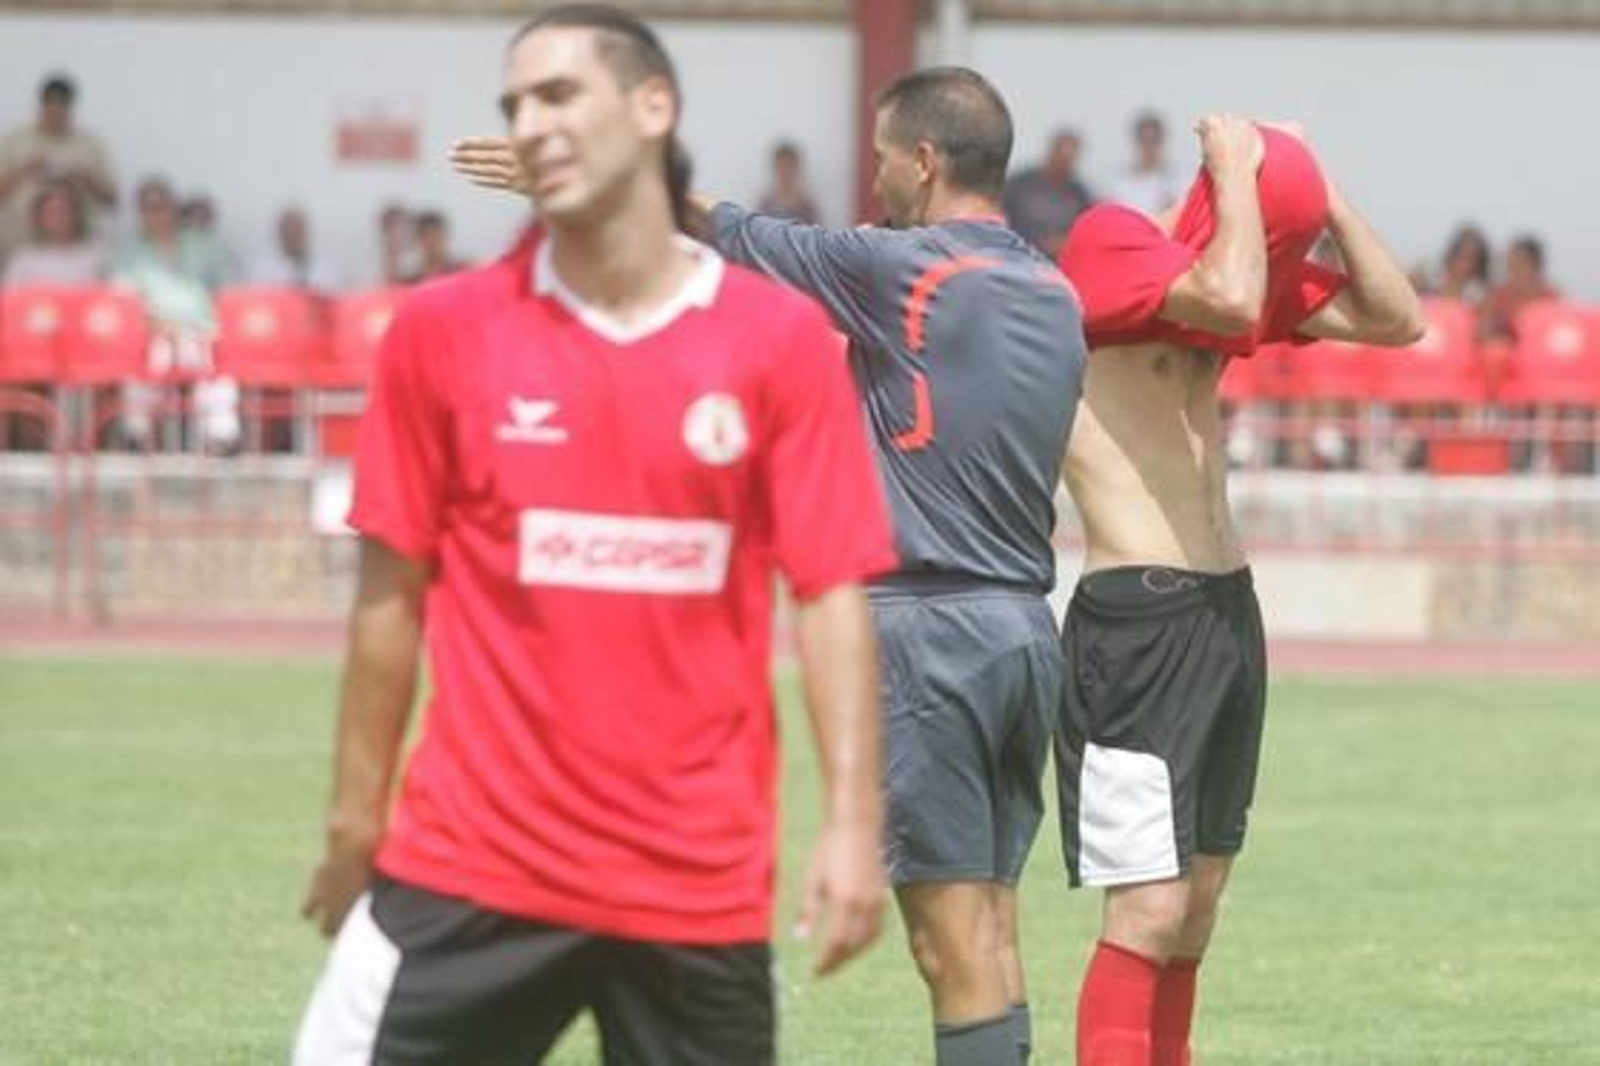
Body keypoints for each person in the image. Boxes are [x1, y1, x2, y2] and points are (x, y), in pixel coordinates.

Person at [292, 6, 894, 1063]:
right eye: (514, 104)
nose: (529, 122)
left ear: (652, 107)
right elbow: (387, 600)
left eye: (559, 93)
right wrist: (354, 825)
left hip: (693, 885)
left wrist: (851, 823)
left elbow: (831, 594)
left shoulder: (780, 341)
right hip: (469, 864)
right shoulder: (442, 331)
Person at [458, 65, 1089, 1065]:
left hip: (929, 635)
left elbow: (735, 232)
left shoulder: (906, 271)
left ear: (923, 162)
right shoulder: (1051, 289)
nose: (873, 179)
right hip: (1023, 633)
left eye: (882, 158)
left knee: (946, 942)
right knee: (992, 932)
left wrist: (601, 174)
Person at [1055, 119, 1424, 1064]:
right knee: (1147, 905)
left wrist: (1326, 194)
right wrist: (1231, 171)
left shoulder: (1233, 281)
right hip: (1136, 616)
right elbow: (1225, 295)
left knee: (1199, 909)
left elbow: (1398, 318)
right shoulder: (1115, 244)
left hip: (1225, 613)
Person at [0, 73, 117, 270]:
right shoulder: (15, 141)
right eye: (50, 106)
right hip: (19, 244)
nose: (56, 112)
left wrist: (86, 178)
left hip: (75, 251)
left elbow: (112, 199)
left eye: (62, 106)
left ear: (70, 108)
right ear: (41, 106)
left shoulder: (88, 144)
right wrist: (23, 172)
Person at [1003, 127, 1094, 258]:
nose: (1063, 163)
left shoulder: (1079, 193)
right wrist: (1040, 241)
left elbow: (1084, 231)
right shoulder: (1019, 184)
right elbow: (1001, 218)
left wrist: (1064, 243)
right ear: (1051, 152)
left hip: (1058, 264)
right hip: (1018, 255)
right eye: (1060, 156)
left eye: (1069, 158)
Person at [249, 205, 342, 294]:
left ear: (305, 233)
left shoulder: (324, 266)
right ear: (280, 235)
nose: (292, 238)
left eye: (296, 233)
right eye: (288, 234)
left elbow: (332, 297)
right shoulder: (263, 267)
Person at [1111, 110, 1182, 217]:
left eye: (1154, 140)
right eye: (1145, 140)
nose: (1150, 147)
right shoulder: (1123, 183)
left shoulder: (1176, 181)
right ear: (1137, 141)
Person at [756, 139, 821, 223]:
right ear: (775, 168)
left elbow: (816, 233)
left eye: (789, 167)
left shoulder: (807, 206)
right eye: (782, 167)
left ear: (797, 168)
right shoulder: (765, 205)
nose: (785, 172)